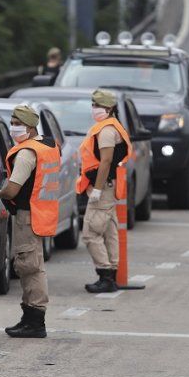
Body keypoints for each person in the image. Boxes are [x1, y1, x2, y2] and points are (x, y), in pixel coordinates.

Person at [0, 105, 61, 338]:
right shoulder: (48, 145)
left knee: (30, 267)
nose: (13, 127)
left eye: (17, 123)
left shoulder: (26, 153)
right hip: (41, 212)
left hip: (28, 215)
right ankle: (29, 318)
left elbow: (13, 190)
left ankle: (35, 321)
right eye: (12, 122)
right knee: (31, 264)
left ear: (30, 126)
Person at [77, 89, 132, 293]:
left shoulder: (107, 130)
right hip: (107, 186)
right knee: (109, 231)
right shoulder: (107, 126)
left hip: (103, 187)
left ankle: (105, 275)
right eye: (93, 105)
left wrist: (97, 189)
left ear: (108, 109)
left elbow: (106, 161)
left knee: (91, 233)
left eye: (97, 106)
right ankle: (112, 274)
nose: (94, 109)